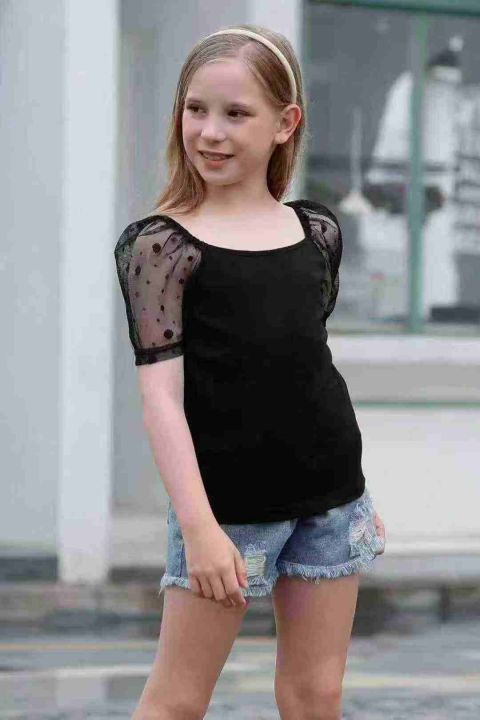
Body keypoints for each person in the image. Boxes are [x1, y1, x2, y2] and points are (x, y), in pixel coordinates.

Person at [114, 23, 386, 720]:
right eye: (196, 109)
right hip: (226, 510)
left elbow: (305, 366)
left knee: (315, 695)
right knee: (176, 701)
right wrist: (199, 528)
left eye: (236, 114)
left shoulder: (316, 231)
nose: (210, 132)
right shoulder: (162, 247)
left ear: (285, 124)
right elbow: (161, 401)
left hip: (332, 498)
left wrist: (354, 491)